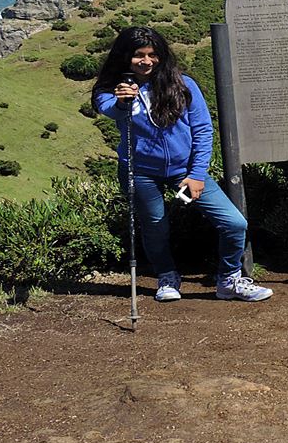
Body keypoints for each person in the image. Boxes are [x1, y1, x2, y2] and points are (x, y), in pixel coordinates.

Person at [94, 26, 273, 303]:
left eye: (152, 54)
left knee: (234, 223)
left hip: (185, 171)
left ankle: (229, 280)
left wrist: (197, 174)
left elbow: (203, 130)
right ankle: (166, 276)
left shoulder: (183, 84)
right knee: (155, 227)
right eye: (139, 55)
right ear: (124, 56)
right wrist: (122, 101)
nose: (146, 61)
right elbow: (108, 110)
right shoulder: (112, 88)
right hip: (140, 172)